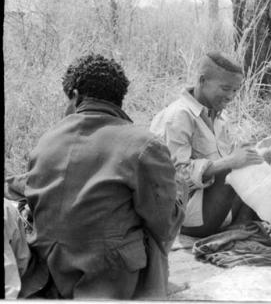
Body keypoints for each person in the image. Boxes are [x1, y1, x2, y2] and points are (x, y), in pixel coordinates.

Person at [17, 54, 185, 299]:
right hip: (109, 278)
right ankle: (151, 291)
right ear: (119, 99)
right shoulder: (144, 144)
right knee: (166, 205)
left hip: (50, 273)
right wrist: (180, 188)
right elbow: (164, 226)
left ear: (75, 96)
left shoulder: (47, 140)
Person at [150, 52, 263, 238]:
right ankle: (239, 225)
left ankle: (241, 225)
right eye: (226, 88)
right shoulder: (178, 116)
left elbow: (229, 160)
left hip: (215, 208)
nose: (231, 96)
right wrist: (228, 163)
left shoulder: (220, 117)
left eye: (236, 90)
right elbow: (175, 177)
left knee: (258, 159)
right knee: (230, 170)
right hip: (180, 214)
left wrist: (244, 155)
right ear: (202, 81)